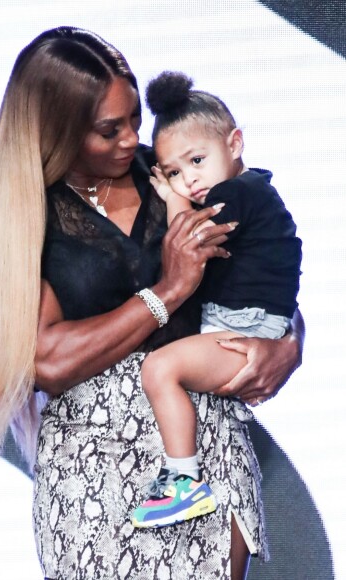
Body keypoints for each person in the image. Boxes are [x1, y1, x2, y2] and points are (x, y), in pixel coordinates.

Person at [0, 27, 304, 580]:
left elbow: (263, 263)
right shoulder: (20, 217)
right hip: (92, 468)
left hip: (199, 451)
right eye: (108, 129)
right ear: (57, 129)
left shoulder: (173, 173)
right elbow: (46, 361)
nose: (131, 139)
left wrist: (288, 344)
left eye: (135, 119)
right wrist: (168, 293)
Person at [131, 71, 302, 530]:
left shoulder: (234, 194)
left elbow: (189, 242)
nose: (189, 180)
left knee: (159, 368)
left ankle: (182, 484)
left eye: (197, 160)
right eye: (173, 173)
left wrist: (170, 200)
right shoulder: (252, 190)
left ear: (235, 143)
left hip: (244, 328)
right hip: (246, 323)